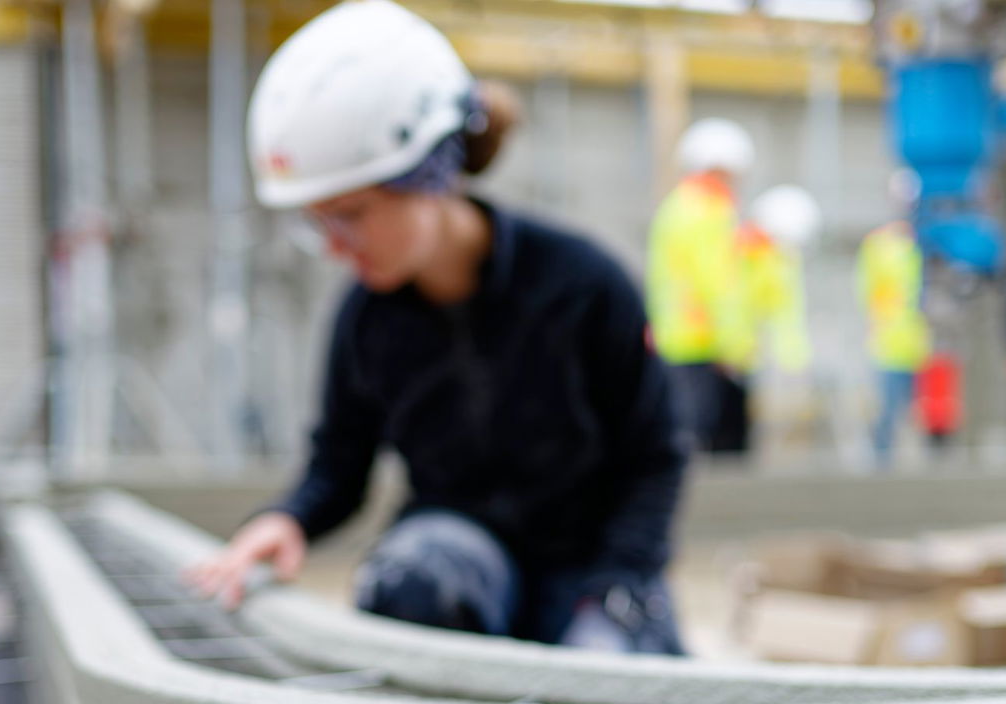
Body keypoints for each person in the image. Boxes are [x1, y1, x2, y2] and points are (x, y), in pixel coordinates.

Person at [187, 0, 687, 655]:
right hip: (461, 552)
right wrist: (290, 518)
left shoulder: (583, 284)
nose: (335, 246)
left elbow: (655, 455)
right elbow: (340, 464)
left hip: (588, 561)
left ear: (431, 173)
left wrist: (617, 592)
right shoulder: (366, 319)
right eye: (318, 223)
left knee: (609, 672)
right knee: (412, 579)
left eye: (350, 215)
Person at [645, 118, 756, 454]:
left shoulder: (676, 206)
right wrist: (733, 344)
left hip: (673, 336)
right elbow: (718, 282)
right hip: (702, 337)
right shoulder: (710, 211)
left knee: (681, 428)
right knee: (703, 431)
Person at [856, 171, 932, 464]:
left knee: (932, 412)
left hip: (924, 340)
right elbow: (868, 292)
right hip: (890, 341)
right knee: (887, 410)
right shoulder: (880, 244)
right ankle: (882, 463)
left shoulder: (926, 242)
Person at [743, 184, 819, 375]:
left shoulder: (776, 261)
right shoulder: (751, 258)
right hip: (737, 354)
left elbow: (785, 314)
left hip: (751, 356)